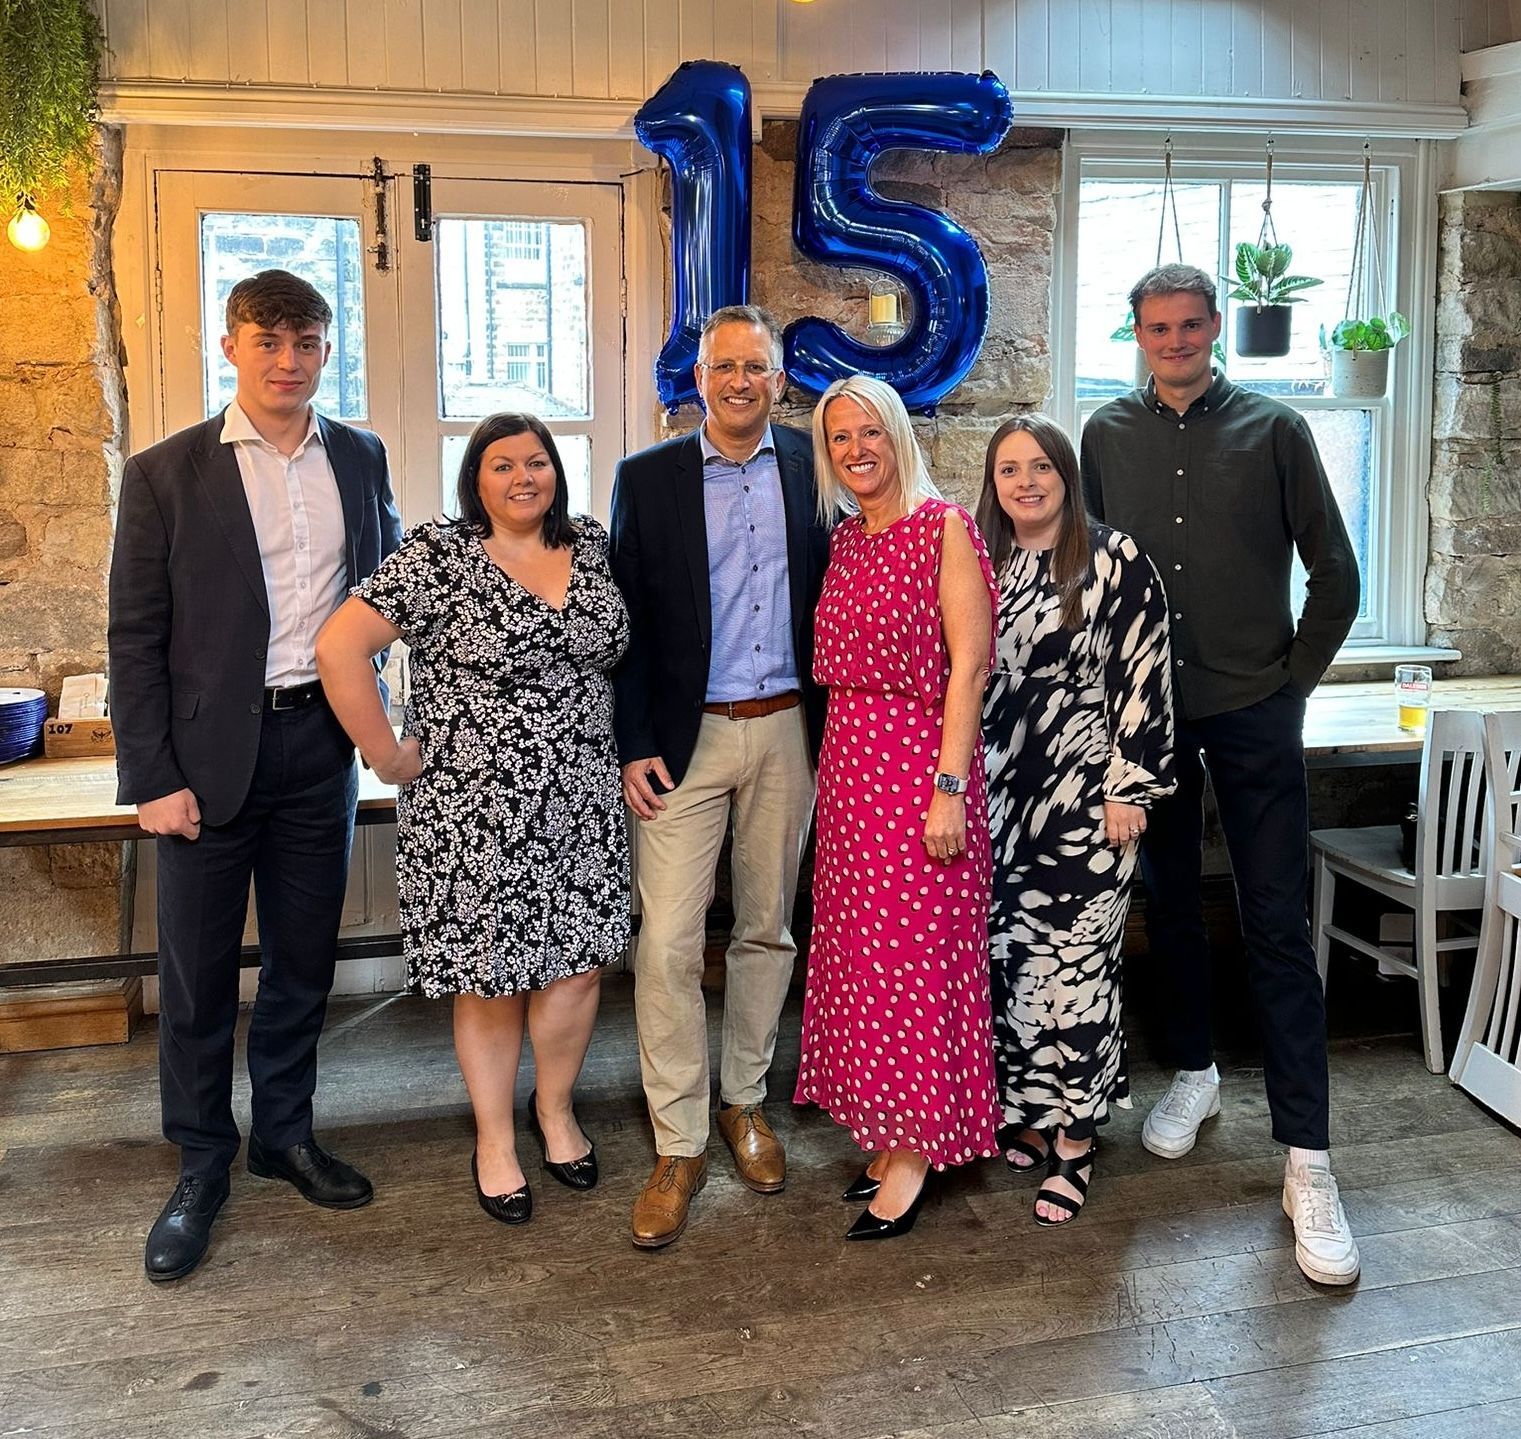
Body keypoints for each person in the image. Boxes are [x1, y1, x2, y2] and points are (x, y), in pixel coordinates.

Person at [108, 269, 403, 1282]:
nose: (288, 360)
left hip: (318, 748)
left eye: (306, 342)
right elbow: (134, 637)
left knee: (300, 963)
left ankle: (284, 1133)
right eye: (268, 341)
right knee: (195, 979)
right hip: (202, 763)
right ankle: (201, 1162)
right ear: (230, 345)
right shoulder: (164, 473)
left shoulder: (360, 456)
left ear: (325, 349)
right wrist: (151, 774)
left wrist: (392, 725)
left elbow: (388, 596)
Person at [1081, 263, 1363, 1285]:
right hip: (1146, 718)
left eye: (1191, 325)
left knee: (1275, 919)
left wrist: (1291, 684)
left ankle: (1307, 1159)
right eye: (1157, 327)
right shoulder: (1104, 436)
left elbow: (1336, 573)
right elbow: (1086, 573)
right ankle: (1194, 1069)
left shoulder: (1275, 431)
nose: (1175, 341)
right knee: (1170, 904)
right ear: (1136, 333)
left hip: (1254, 706)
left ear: (1215, 329)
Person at [316, 413, 630, 1227]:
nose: (523, 477)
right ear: (475, 479)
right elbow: (339, 648)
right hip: (473, 811)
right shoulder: (438, 556)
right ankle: (493, 1139)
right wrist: (384, 755)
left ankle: (554, 1112)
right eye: (502, 464)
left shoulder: (591, 545)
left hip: (581, 801)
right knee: (491, 977)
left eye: (536, 461)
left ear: (556, 470)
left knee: (575, 969)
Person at [609, 304, 832, 1249]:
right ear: (696, 379)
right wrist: (630, 742)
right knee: (665, 942)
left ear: (778, 379)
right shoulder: (646, 478)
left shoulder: (814, 467)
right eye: (721, 367)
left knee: (766, 926)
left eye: (754, 367)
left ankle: (744, 1100)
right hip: (684, 740)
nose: (739, 381)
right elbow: (621, 626)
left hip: (787, 729)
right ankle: (679, 1141)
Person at [794, 374, 1001, 1241]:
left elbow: (970, 667)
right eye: (839, 437)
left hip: (920, 778)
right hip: (851, 783)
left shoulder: (942, 527)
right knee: (866, 965)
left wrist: (948, 790)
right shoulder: (848, 539)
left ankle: (916, 1151)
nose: (855, 449)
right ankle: (888, 1131)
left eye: (869, 431)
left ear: (898, 437)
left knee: (917, 962)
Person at [976, 414, 1174, 1227]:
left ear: (1065, 474)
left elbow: (1144, 676)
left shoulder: (1112, 557)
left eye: (1040, 467)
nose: (1025, 482)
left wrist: (1129, 787)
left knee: (1079, 967)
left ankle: (1076, 1135)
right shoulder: (979, 557)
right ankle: (1027, 1107)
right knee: (1014, 958)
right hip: (998, 795)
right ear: (992, 483)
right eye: (1008, 469)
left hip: (1088, 798)